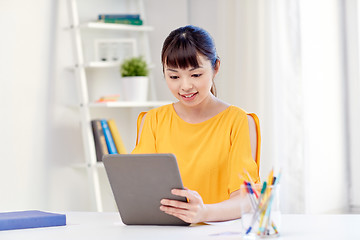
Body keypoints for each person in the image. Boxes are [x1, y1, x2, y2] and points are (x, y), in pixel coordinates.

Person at [132, 25, 260, 223]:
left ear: (215, 67)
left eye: (196, 75)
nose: (185, 86)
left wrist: (204, 212)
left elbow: (246, 199)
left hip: (218, 232)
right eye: (174, 76)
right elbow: (138, 190)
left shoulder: (237, 121)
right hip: (163, 233)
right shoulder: (152, 121)